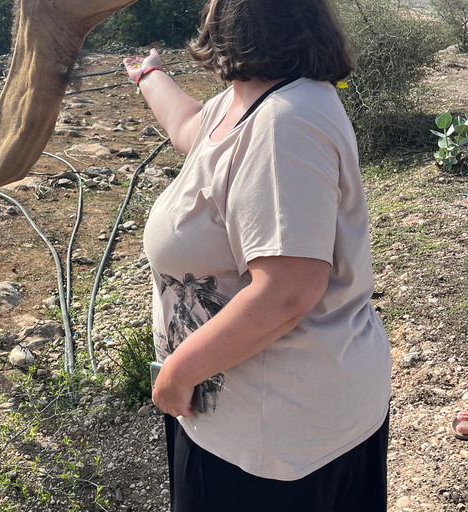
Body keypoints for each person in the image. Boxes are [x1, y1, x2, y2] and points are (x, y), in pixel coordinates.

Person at [123, 0, 392, 510]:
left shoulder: (285, 125)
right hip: (262, 420)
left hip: (277, 445)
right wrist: (150, 76)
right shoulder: (249, 102)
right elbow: (190, 130)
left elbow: (288, 290)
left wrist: (179, 372)